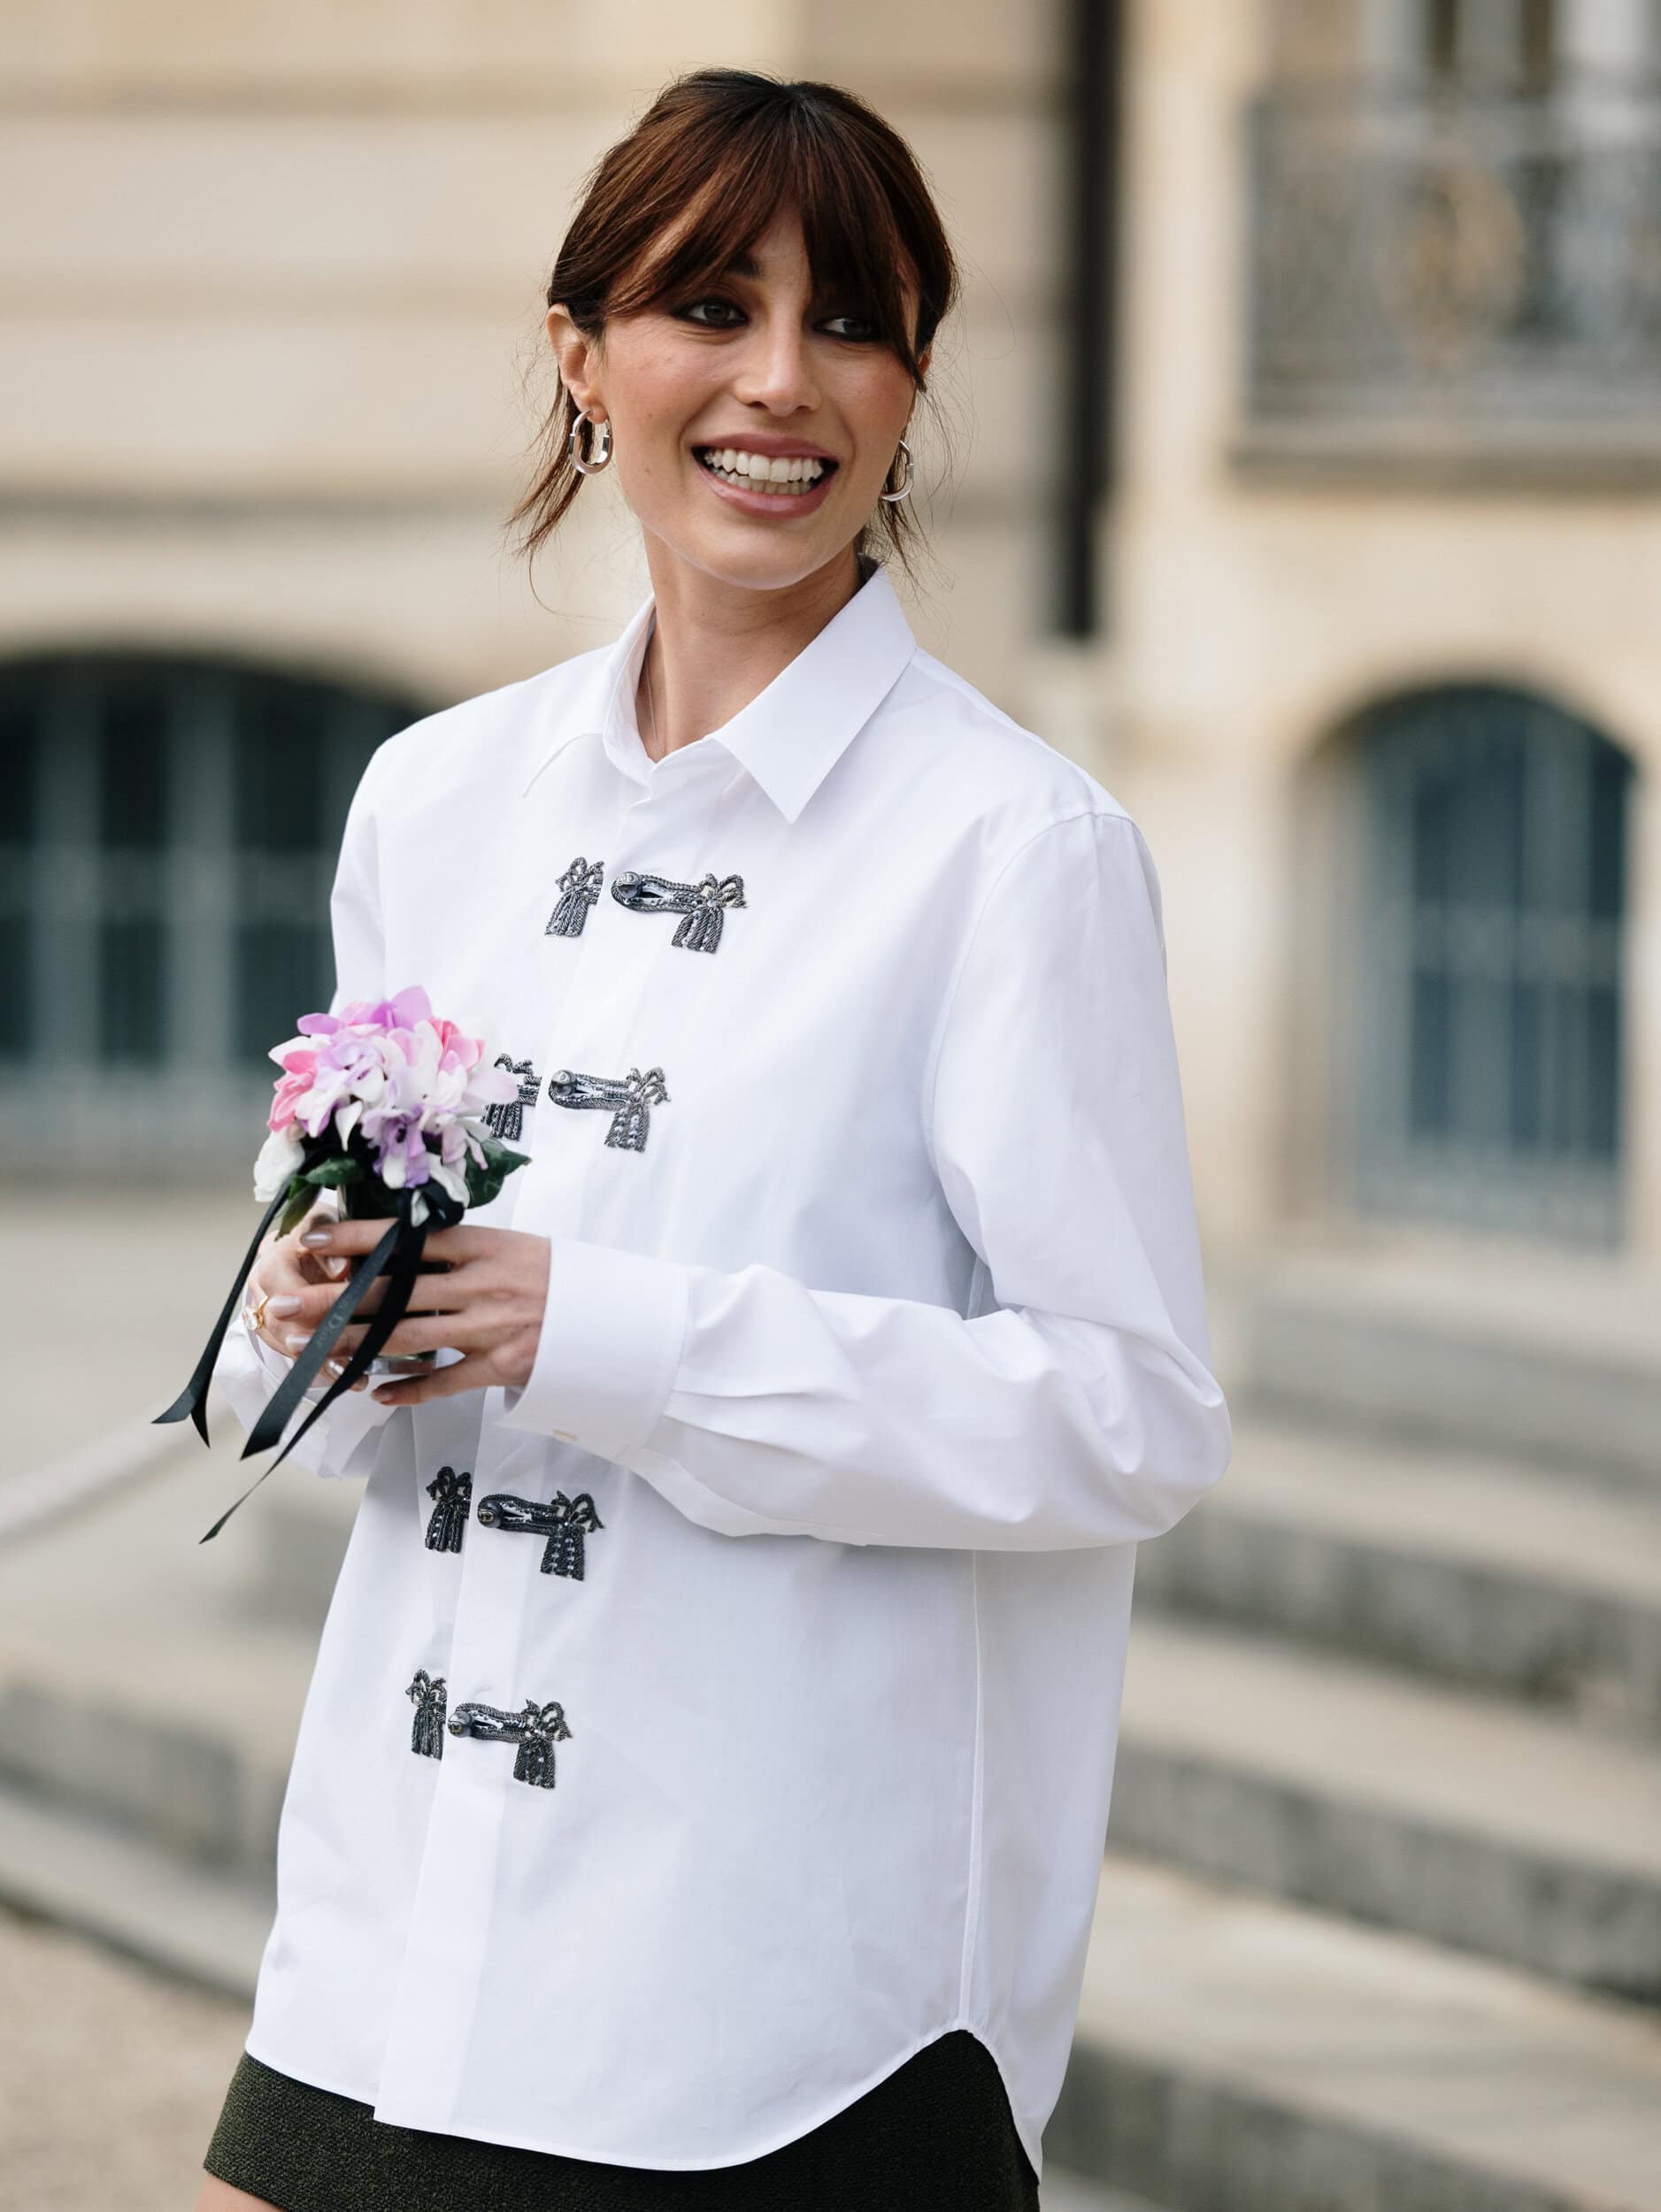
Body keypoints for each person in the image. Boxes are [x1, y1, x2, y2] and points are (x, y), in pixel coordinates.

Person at [196, 65, 1231, 2212]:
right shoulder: (436, 798)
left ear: (911, 388)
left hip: (774, 2006)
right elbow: (316, 1396)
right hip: (395, 1928)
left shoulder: (1012, 849)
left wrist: (606, 1331)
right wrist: (305, 1312)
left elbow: (1129, 1416)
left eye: (851, 321)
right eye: (709, 304)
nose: (782, 381)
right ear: (582, 358)